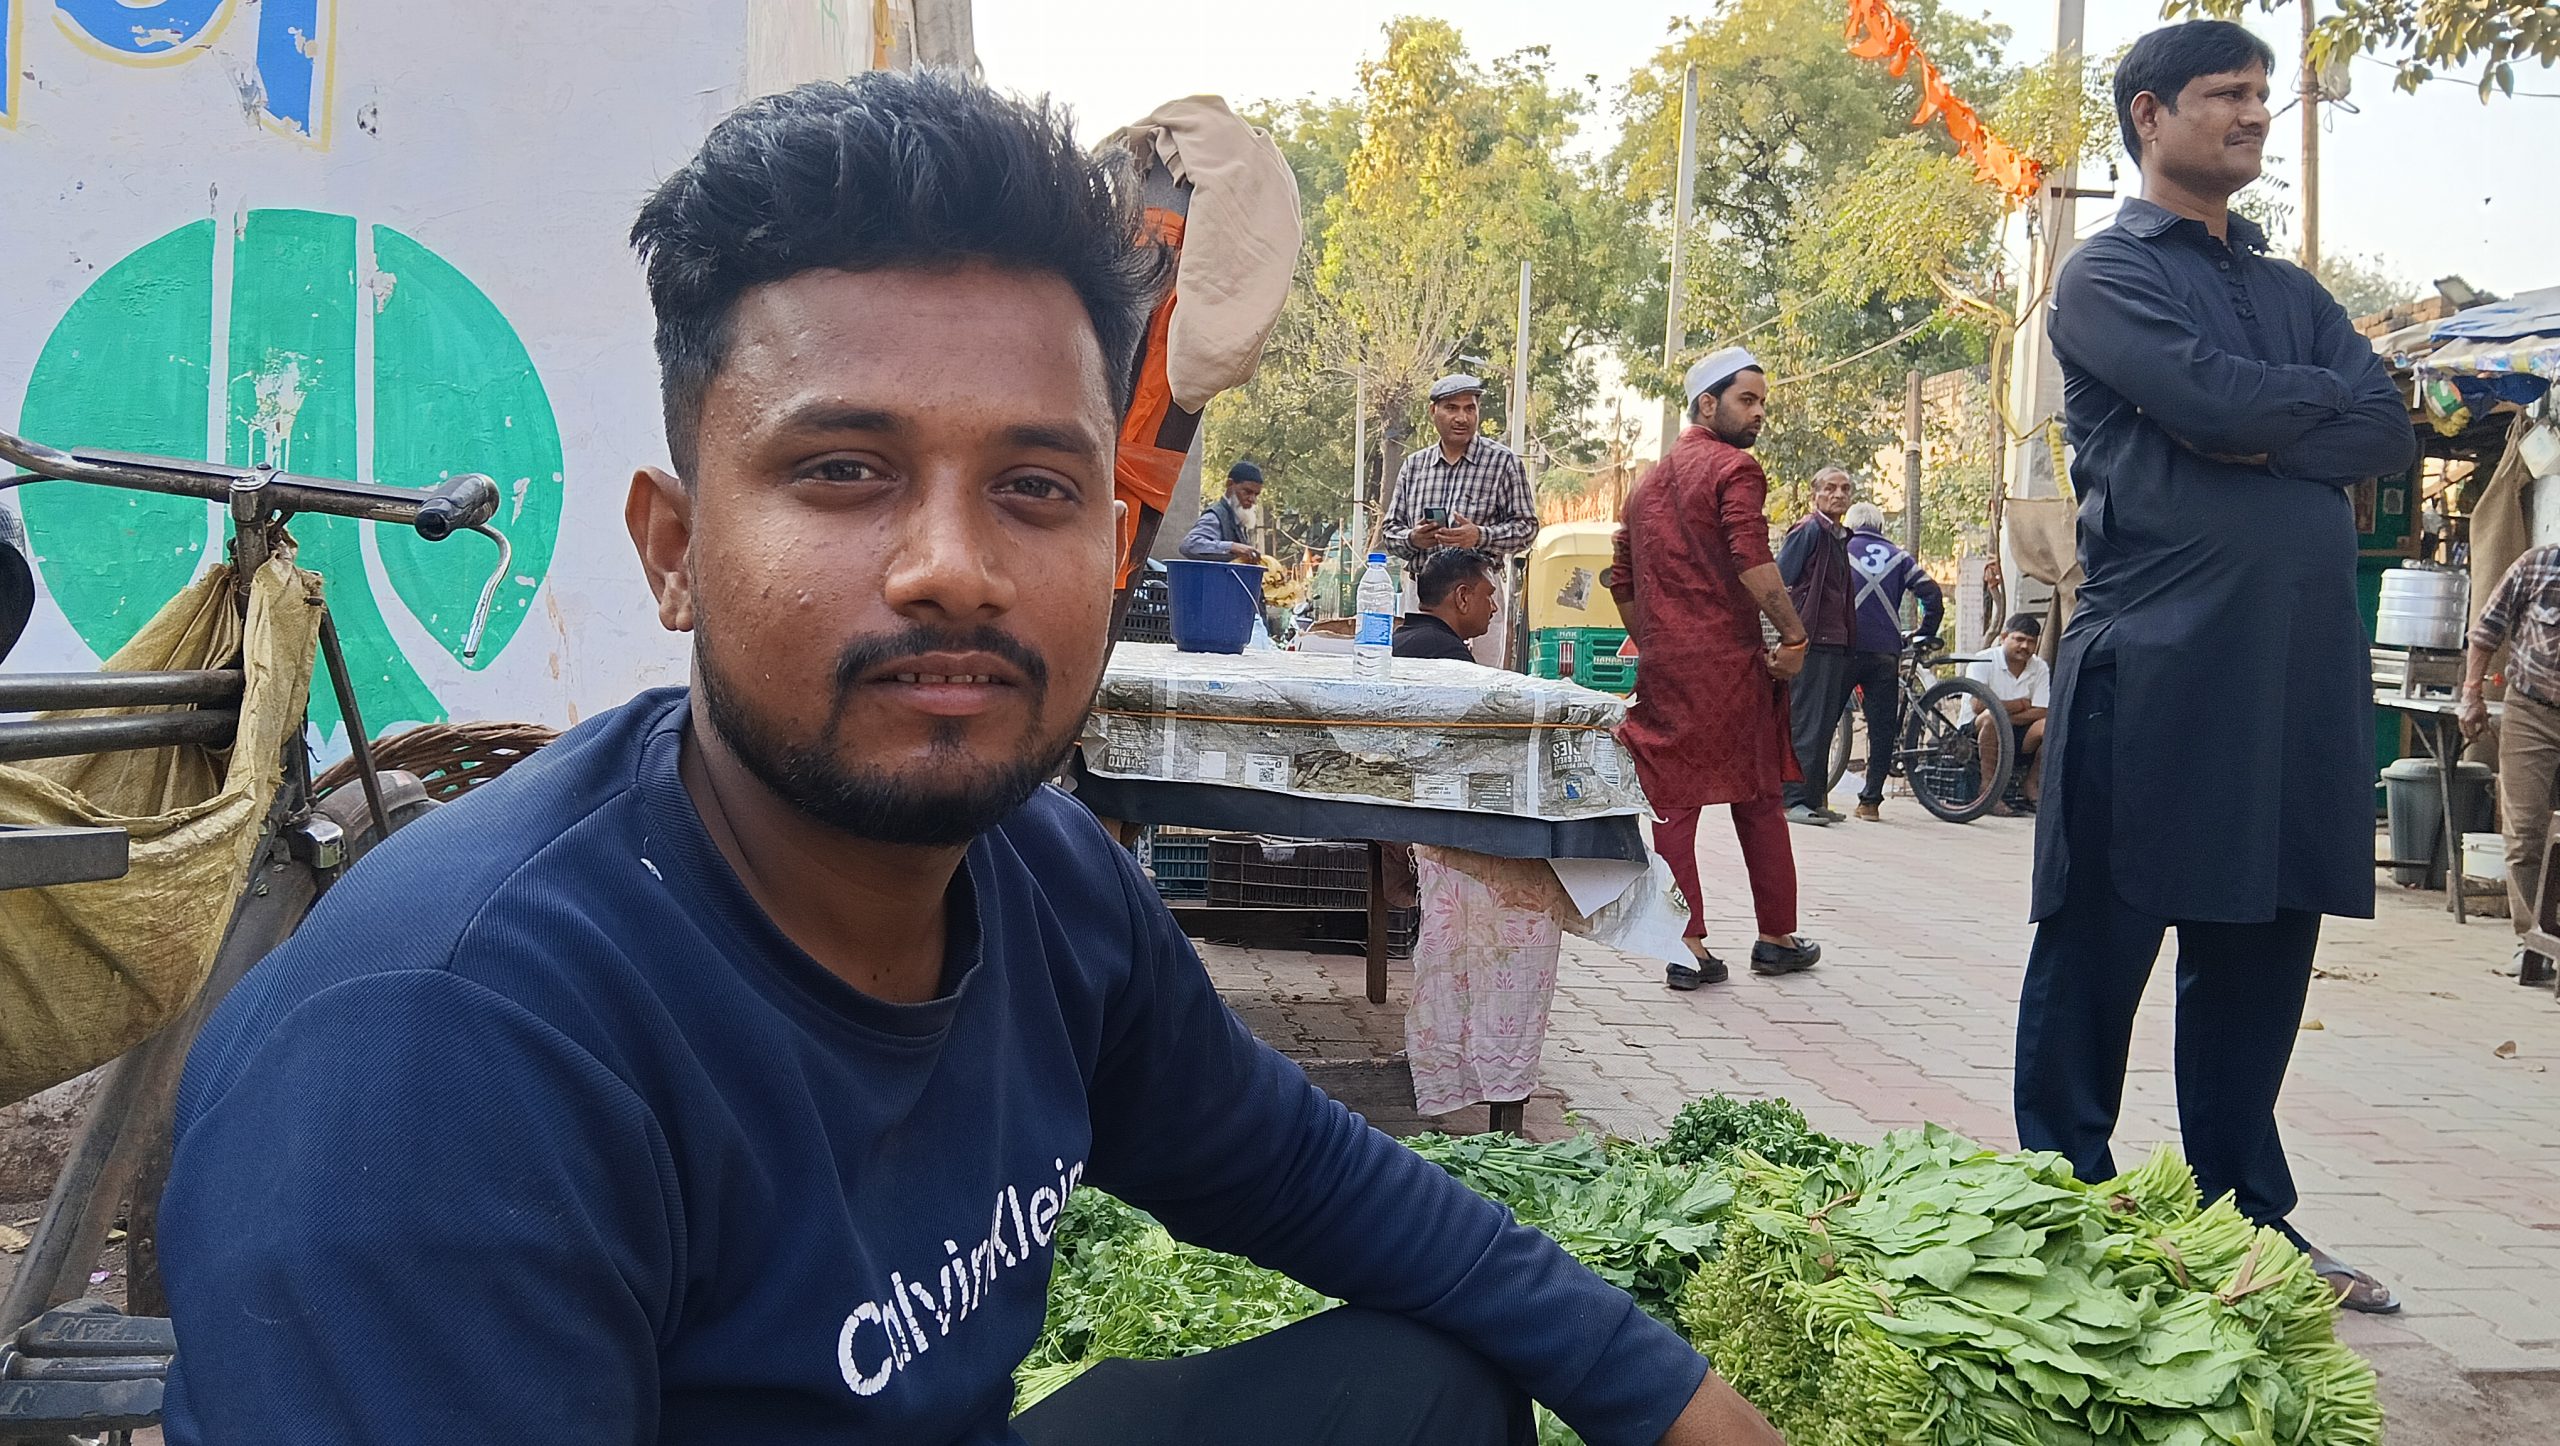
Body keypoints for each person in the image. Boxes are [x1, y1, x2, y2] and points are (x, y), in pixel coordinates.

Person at [157, 72, 1781, 1446]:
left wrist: (1674, 1396)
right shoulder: (431, 1075)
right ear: (673, 551)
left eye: (1035, 487)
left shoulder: (1050, 886)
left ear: (1117, 546)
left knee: (1426, 1389)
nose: (954, 567)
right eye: (846, 468)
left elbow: (1318, 1182)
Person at [2011, 20, 2418, 1317]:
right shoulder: (2105, 276)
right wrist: (2274, 421)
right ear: (2148, 114)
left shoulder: (2290, 288)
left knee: (2261, 947)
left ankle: (2244, 1215)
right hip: (2159, 669)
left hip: (2291, 682)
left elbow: (2386, 424)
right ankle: (2061, 1201)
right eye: (2226, 96)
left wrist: (2263, 425)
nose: (2252, 115)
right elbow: (2226, 409)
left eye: (2260, 95)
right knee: (2100, 947)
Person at [1607, 346, 1823, 991]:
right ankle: (1775, 936)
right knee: (1758, 795)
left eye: (1761, 403)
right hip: (1729, 661)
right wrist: (1794, 633)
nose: (1758, 414)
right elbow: (1751, 556)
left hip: (1668, 664)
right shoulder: (1735, 467)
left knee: (1674, 805)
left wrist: (1656, 639)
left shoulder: (1645, 484)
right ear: (1708, 404)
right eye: (1746, 400)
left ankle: (1687, 942)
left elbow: (1620, 576)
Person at [2458, 542, 2560, 985]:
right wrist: (2471, 694)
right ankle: (2531, 940)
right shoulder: (2538, 564)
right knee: (2526, 831)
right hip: (2532, 711)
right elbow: (2486, 631)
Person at [1840, 501, 1944, 821]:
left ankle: (1812, 794)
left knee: (1823, 716)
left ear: (1851, 524)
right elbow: (1932, 595)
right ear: (1881, 528)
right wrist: (1924, 632)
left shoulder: (1841, 549)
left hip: (1844, 646)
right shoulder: (1900, 557)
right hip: (1886, 651)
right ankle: (1870, 802)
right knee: (1882, 727)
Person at [1381, 374, 1539, 565]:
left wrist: (1481, 536)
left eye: (1470, 409)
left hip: (1479, 588)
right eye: (1451, 408)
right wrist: (1413, 538)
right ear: (1433, 411)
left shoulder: (1503, 462)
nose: (1462, 418)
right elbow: (1389, 532)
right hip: (1420, 587)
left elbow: (1527, 528)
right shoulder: (1414, 466)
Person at [1775, 466, 1858, 825]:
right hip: (1811, 640)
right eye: (1830, 488)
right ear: (1816, 494)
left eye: (1844, 489)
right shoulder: (1808, 531)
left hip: (1835, 642)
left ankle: (1813, 796)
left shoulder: (1838, 536)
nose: (1838, 494)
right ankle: (1792, 800)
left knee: (1825, 724)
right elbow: (1781, 579)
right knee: (1805, 722)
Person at [1967, 614, 2050, 814]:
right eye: (2019, 639)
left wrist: (2004, 713)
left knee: (2051, 726)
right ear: (2004, 637)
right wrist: (2022, 703)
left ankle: (2031, 784)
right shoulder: (1983, 660)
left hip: (2018, 730)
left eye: (2031, 642)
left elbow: (2042, 710)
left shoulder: (2040, 667)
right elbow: (1978, 705)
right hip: (1976, 728)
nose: (2025, 646)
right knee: (1989, 718)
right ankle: (1988, 790)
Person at [1393, 546, 1496, 662]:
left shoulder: (1396, 640)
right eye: (1489, 595)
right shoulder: (1449, 653)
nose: (1494, 608)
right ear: (1463, 597)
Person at [1180, 459, 1265, 563]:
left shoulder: (1237, 520)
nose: (1252, 499)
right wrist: (1232, 547)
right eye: (1247, 492)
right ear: (1230, 484)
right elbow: (1189, 545)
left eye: (1256, 495)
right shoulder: (1215, 516)